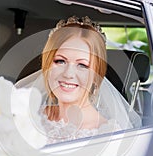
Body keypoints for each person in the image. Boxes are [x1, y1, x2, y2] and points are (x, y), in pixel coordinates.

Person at [16, 16, 141, 144]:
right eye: (60, 61)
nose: (68, 74)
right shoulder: (27, 117)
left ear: (96, 74)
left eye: (82, 65)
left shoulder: (108, 135)